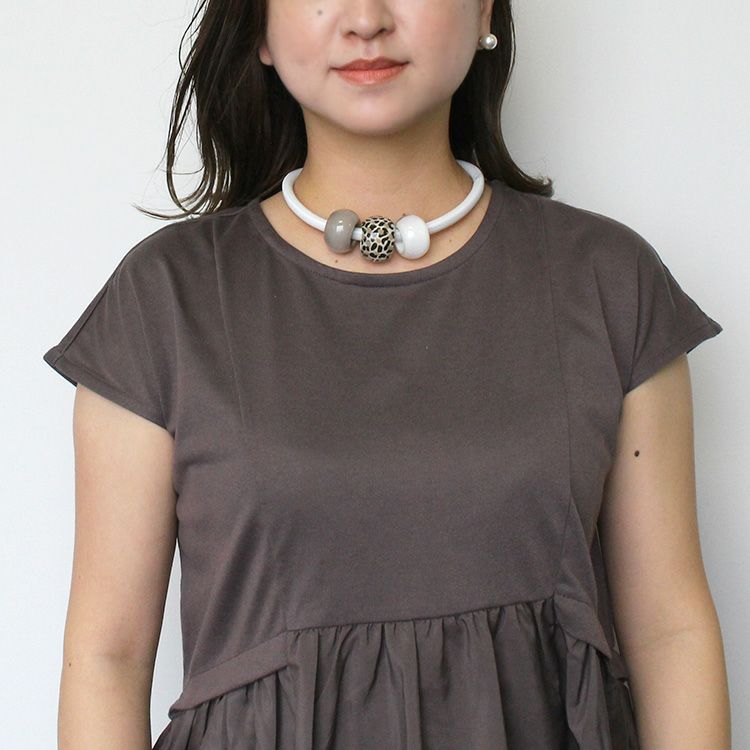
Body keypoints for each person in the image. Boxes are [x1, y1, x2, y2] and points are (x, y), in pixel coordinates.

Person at [43, 1, 731, 748]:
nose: (365, 18)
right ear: (260, 29)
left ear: (484, 10)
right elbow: (106, 659)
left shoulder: (608, 282)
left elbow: (671, 633)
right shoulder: (166, 300)